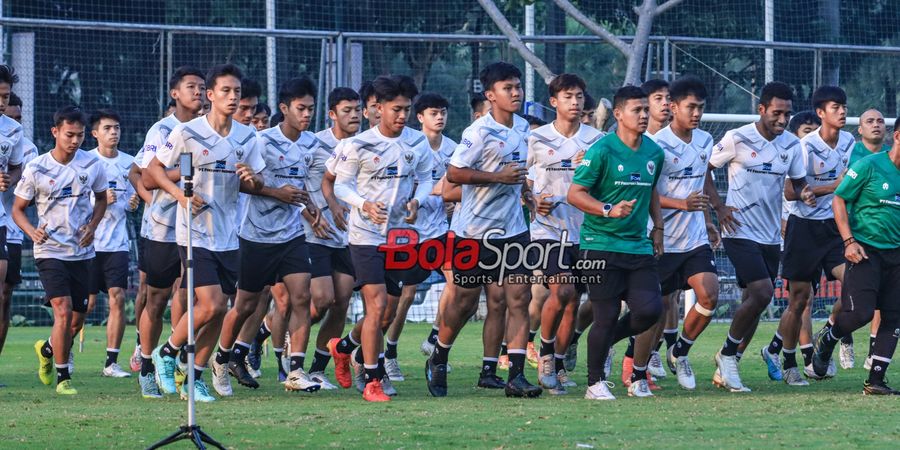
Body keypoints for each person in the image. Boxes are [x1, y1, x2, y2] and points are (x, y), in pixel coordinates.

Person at [148, 64, 265, 403]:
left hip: (230, 234)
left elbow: (256, 182)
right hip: (194, 233)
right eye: (226, 92)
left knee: (221, 307)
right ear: (210, 95)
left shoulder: (247, 137)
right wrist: (179, 194)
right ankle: (166, 353)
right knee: (212, 304)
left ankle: (195, 377)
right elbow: (154, 170)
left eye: (237, 93)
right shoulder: (188, 133)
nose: (233, 98)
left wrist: (251, 179)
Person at [425, 62, 540, 399]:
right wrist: (497, 178)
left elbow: (516, 172)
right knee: (462, 304)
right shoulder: (478, 132)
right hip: (472, 233)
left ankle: (515, 376)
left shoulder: (523, 128)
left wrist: (526, 192)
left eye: (518, 86)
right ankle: (439, 355)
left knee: (519, 298)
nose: (516, 92)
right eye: (508, 88)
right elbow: (454, 174)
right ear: (491, 95)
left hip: (514, 231)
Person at [212, 76, 322, 395]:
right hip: (255, 236)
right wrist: (278, 194)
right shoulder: (261, 141)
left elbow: (305, 185)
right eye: (300, 108)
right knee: (245, 304)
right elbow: (243, 183)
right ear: (284, 109)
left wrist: (312, 206)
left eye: (311, 109)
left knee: (302, 297)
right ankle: (222, 358)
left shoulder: (312, 144)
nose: (306, 115)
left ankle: (296, 369)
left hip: (291, 236)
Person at [705, 81, 815, 392]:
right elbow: (705, 170)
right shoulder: (737, 138)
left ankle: (728, 366)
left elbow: (796, 186)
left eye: (787, 114)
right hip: (739, 230)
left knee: (752, 301)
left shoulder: (792, 145)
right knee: (763, 292)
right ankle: (726, 356)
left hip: (771, 236)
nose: (782, 120)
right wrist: (719, 206)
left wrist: (806, 193)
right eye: (777, 113)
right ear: (762, 109)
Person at [332, 74, 432, 402]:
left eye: (407, 109)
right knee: (375, 306)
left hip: (398, 239)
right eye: (396, 109)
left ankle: (345, 347)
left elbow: (426, 178)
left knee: (386, 312)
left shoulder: (417, 143)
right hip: (364, 237)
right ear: (378, 108)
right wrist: (363, 204)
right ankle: (374, 378)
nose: (402, 116)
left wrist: (418, 200)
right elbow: (340, 185)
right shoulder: (357, 145)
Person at [568, 85, 665, 400]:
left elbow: (651, 192)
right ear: (619, 114)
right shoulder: (601, 150)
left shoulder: (654, 152)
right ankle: (594, 384)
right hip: (599, 244)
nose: (643, 115)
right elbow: (575, 194)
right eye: (637, 110)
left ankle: (607, 341)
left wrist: (659, 228)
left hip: (637, 246)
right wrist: (607, 209)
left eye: (645, 110)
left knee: (651, 310)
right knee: (605, 315)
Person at [759, 87, 853, 385]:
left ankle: (829, 332)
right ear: (822, 113)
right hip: (804, 228)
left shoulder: (849, 141)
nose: (842, 111)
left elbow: (847, 184)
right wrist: (821, 190)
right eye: (835, 107)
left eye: (844, 106)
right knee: (799, 301)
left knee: (856, 284)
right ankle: (787, 361)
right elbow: (789, 190)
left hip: (833, 227)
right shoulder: (804, 146)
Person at [16, 106, 108, 395]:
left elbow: (103, 199)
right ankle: (63, 377)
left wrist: (93, 226)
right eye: (69, 134)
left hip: (81, 252)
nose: (75, 140)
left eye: (80, 135)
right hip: (49, 251)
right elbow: (18, 209)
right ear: (55, 132)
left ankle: (46, 349)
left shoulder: (92, 165)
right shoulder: (37, 167)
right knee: (63, 311)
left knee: (78, 318)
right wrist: (32, 231)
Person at [811, 119, 900, 395]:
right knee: (861, 313)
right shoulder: (870, 165)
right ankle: (828, 338)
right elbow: (839, 198)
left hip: (896, 255)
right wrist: (849, 241)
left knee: (894, 317)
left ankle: (875, 381)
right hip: (864, 250)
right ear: (898, 136)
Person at [527, 73, 602, 395]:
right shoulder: (536, 139)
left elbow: (605, 183)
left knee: (574, 302)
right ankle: (544, 355)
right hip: (547, 231)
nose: (575, 102)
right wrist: (532, 201)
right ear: (554, 102)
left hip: (584, 233)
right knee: (563, 290)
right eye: (568, 96)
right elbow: (523, 180)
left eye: (580, 96)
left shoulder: (597, 140)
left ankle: (557, 362)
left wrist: (591, 173)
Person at [134, 66, 206, 399]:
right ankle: (147, 365)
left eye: (203, 87)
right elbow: (147, 177)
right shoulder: (162, 130)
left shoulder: (212, 130)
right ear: (174, 93)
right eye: (191, 86)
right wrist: (187, 171)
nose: (199, 92)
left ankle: (182, 366)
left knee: (200, 299)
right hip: (162, 226)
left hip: (202, 229)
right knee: (157, 298)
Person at [647, 76, 721, 391]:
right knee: (653, 309)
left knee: (709, 292)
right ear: (673, 107)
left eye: (700, 108)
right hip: (661, 237)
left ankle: (680, 351)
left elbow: (702, 180)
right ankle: (636, 360)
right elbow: (645, 192)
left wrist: (708, 217)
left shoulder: (705, 140)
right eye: (690, 107)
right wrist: (680, 203)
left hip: (694, 239)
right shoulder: (655, 144)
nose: (696, 113)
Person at [382, 92, 456, 382]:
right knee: (406, 294)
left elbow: (455, 183)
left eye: (443, 112)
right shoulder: (409, 145)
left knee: (459, 283)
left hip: (438, 231)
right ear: (421, 117)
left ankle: (434, 338)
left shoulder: (453, 148)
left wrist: (452, 198)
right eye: (433, 113)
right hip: (407, 233)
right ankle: (389, 353)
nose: (440, 117)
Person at [296, 87, 362, 389]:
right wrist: (312, 215)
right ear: (332, 114)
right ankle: (275, 330)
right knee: (321, 299)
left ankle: (319, 368)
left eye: (357, 109)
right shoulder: (314, 144)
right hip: (314, 233)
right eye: (347, 110)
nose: (355, 115)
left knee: (341, 302)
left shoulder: (365, 144)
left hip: (347, 235)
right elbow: (294, 181)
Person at [87, 110, 139, 379]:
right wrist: (98, 200)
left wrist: (133, 202)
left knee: (117, 297)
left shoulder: (130, 163)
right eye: (107, 128)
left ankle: (111, 362)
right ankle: (61, 350)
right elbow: (74, 202)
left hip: (117, 244)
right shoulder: (85, 162)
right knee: (85, 305)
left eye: (117, 128)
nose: (114, 132)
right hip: (88, 243)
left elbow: (133, 198)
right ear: (95, 133)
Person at [0, 92, 37, 382]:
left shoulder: (27, 148)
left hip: (11, 227)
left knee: (4, 295)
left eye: (17, 118)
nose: (13, 121)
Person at [852, 108, 890, 370]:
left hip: (887, 239)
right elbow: (842, 196)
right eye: (870, 121)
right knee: (857, 307)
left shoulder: (891, 156)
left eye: (880, 121)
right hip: (855, 237)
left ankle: (873, 353)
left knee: (887, 302)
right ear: (860, 128)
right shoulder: (855, 155)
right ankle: (839, 334)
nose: (876, 125)